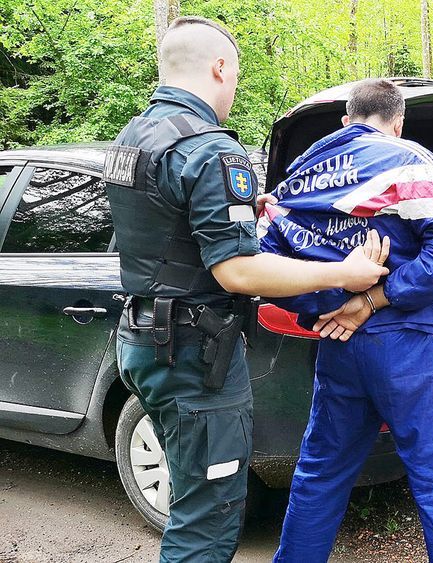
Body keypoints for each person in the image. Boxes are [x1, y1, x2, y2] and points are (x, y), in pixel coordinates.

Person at [102, 18, 388, 562]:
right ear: (219, 68)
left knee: (191, 497)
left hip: (143, 340)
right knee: (208, 521)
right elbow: (238, 272)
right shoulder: (212, 150)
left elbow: (162, 225)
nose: (233, 87)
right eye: (234, 74)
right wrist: (342, 274)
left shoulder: (134, 137)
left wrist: (236, 212)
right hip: (194, 355)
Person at [258, 79, 433, 562]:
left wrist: (330, 304)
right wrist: (374, 299)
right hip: (411, 344)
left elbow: (266, 267)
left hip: (339, 344)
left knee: (319, 476)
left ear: (345, 121)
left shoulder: (298, 177)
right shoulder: (411, 160)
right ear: (398, 123)